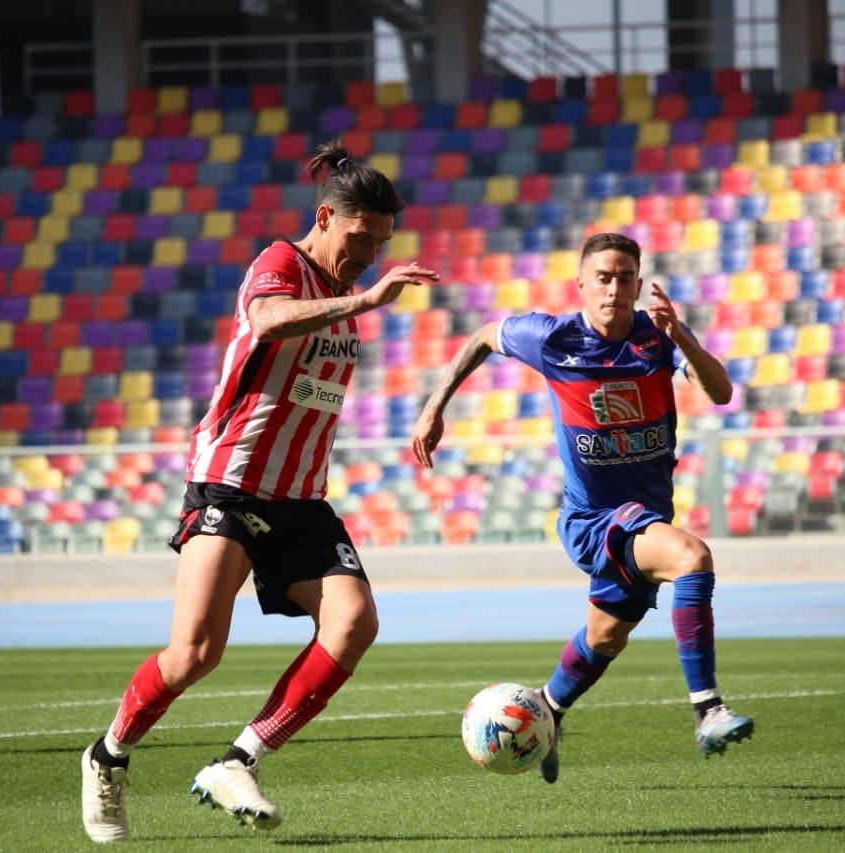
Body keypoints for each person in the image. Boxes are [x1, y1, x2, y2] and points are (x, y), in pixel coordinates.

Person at [80, 140, 439, 843]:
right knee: (194, 654)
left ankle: (238, 760)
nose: (368, 253)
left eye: (380, 242)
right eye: (360, 237)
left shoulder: (341, 292)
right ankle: (108, 753)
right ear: (326, 218)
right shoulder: (281, 265)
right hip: (230, 484)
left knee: (355, 622)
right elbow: (268, 320)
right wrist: (363, 299)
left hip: (300, 499)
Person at [411, 232, 753, 783]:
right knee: (692, 557)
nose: (613, 288)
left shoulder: (658, 340)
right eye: (603, 277)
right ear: (582, 285)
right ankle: (707, 711)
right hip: (594, 521)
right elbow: (481, 336)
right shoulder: (552, 338)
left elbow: (721, 392)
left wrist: (680, 334)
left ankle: (547, 713)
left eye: (624, 278)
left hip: (642, 518)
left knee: (604, 638)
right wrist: (434, 407)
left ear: (638, 285)